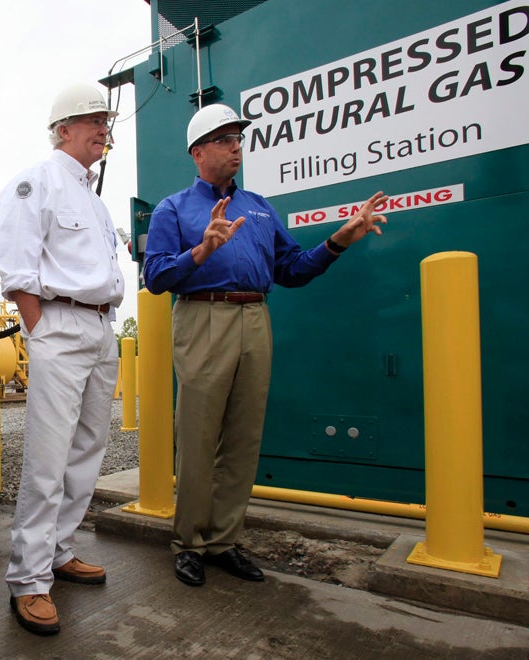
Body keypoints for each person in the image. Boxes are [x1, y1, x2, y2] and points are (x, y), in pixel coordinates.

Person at [142, 103, 388, 587]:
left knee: (243, 437)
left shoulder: (257, 205)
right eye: (225, 138)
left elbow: (291, 268)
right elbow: (155, 277)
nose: (237, 146)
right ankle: (189, 543)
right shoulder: (174, 208)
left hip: (255, 317)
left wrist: (339, 240)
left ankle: (223, 540)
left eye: (238, 137)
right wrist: (202, 250)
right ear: (198, 151)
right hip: (202, 316)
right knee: (197, 436)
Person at [0, 82, 126, 635]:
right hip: (61, 324)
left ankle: (60, 550)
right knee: (48, 456)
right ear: (62, 129)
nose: (103, 128)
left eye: (105, 120)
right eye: (93, 119)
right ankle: (29, 578)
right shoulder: (36, 181)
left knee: (88, 448)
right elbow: (16, 264)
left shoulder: (93, 198)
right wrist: (40, 327)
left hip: (99, 326)